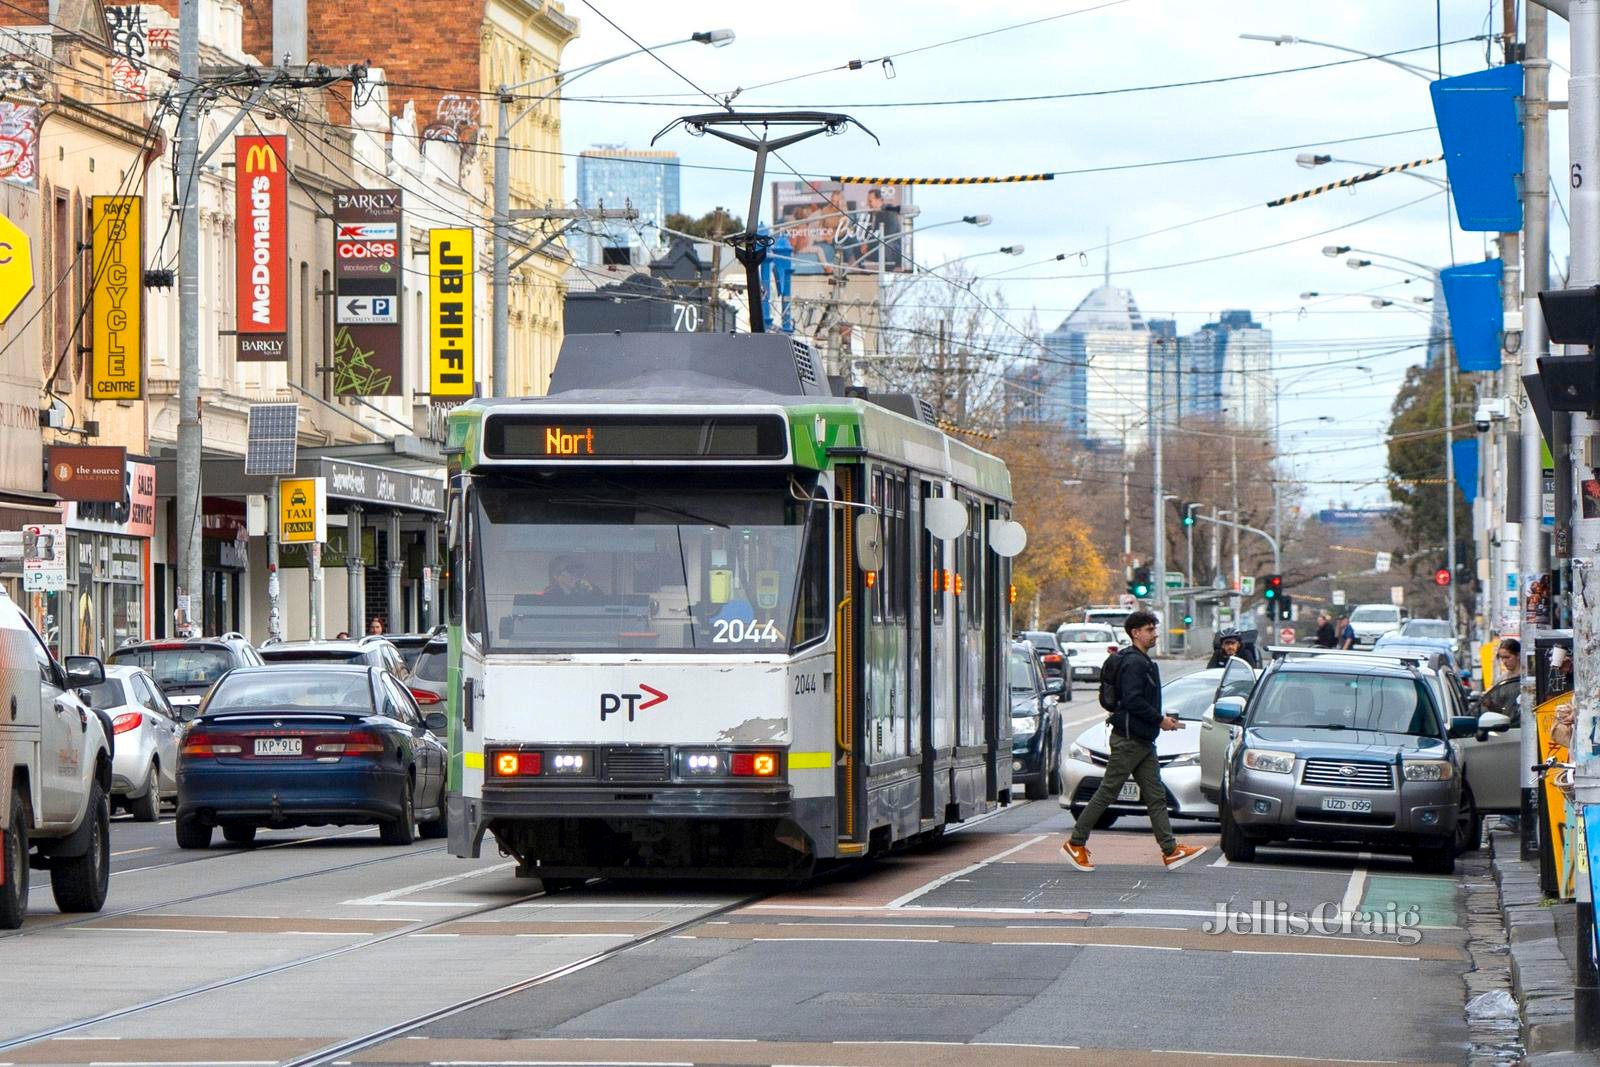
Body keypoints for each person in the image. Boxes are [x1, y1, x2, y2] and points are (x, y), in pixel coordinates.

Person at [1061, 610, 1208, 873]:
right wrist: (1160, 719)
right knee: (1108, 791)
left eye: (1154, 628)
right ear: (1135, 633)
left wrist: (1158, 722)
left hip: (1141, 739)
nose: (1154, 634)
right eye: (1149, 630)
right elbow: (1133, 700)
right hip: (1129, 740)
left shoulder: (1141, 661)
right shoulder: (1134, 663)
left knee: (1155, 796)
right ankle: (1075, 842)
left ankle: (1170, 850)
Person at [1480, 637, 1522, 717]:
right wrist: (1489, 704)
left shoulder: (1528, 680)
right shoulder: (1501, 681)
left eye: (1507, 657)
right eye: (1502, 658)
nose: (1504, 661)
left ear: (1518, 655)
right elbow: (1498, 710)